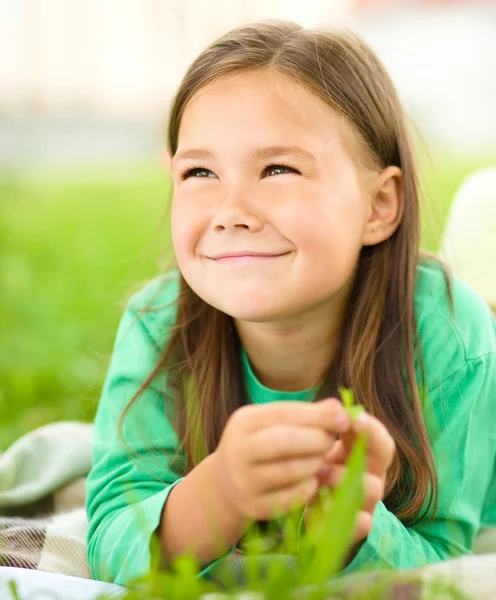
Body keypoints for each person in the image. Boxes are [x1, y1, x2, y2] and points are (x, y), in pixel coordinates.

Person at [85, 20, 496, 586]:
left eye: (277, 169)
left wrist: (352, 530)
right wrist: (218, 494)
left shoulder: (449, 330)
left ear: (379, 205)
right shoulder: (159, 325)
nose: (231, 210)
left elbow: (449, 559)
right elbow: (109, 538)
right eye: (200, 171)